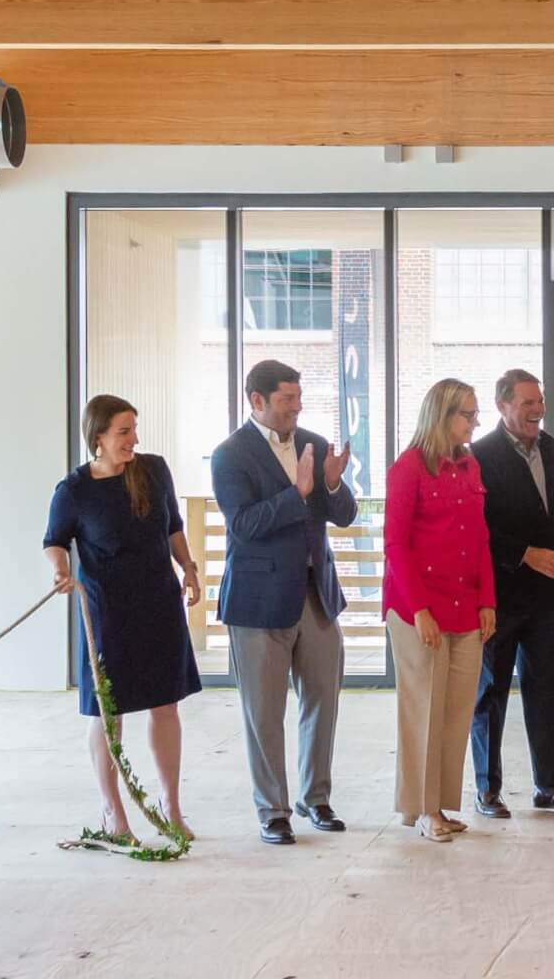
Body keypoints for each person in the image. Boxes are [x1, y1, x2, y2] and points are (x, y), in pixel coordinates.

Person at [43, 395, 204, 842]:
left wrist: (188, 568)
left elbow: (173, 524)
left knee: (165, 704)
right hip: (107, 612)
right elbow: (54, 539)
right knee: (106, 711)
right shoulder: (74, 489)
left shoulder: (153, 470)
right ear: (98, 438)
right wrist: (60, 570)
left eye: (134, 429)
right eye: (123, 432)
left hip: (159, 602)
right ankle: (113, 811)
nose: (134, 439)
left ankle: (171, 804)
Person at [210, 359, 357, 846]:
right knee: (264, 713)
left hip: (316, 597)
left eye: (298, 398)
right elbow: (244, 525)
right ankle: (272, 811)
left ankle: (315, 799)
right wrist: (297, 494)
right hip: (257, 602)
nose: (297, 407)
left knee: (323, 703)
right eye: (286, 399)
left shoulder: (313, 442)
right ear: (258, 400)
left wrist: (333, 484)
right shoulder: (229, 455)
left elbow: (344, 514)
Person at [469, 369, 554, 817]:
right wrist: (524, 554)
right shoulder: (478, 456)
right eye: (527, 403)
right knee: (492, 692)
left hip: (548, 596)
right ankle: (487, 789)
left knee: (546, 689)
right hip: (499, 595)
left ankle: (550, 784)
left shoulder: (551, 448)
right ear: (502, 406)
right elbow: (477, 528)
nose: (537, 410)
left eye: (539, 402)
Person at [385, 378, 496, 842]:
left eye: (475, 414)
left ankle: (441, 804)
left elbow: (480, 537)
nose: (474, 422)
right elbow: (395, 544)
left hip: (465, 604)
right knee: (424, 707)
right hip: (419, 607)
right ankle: (423, 810)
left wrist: (488, 598)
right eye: (467, 414)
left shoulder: (469, 467)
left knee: (454, 710)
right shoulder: (408, 467)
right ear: (442, 415)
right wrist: (420, 610)